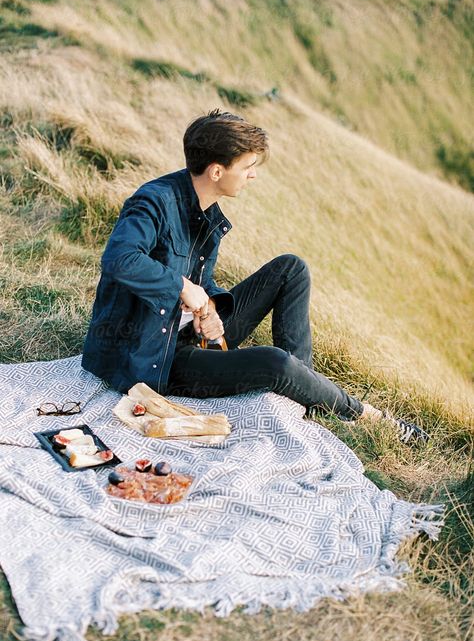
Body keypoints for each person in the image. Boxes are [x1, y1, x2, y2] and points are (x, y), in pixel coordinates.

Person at [82, 109, 429, 445]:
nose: (253, 175)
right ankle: (363, 413)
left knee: (291, 268)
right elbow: (120, 259)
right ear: (217, 171)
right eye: (248, 166)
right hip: (156, 356)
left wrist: (212, 309)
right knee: (273, 361)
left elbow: (203, 284)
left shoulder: (206, 212)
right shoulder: (153, 202)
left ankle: (302, 392)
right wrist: (182, 288)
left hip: (191, 333)